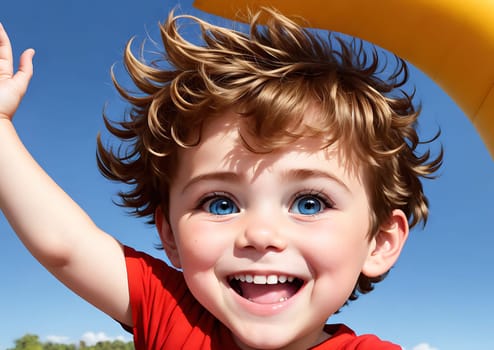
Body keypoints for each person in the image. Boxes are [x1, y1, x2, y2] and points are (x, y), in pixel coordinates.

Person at [0, 7, 442, 350]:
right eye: (220, 203)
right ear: (170, 235)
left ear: (380, 242)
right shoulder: (173, 316)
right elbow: (66, 246)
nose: (261, 234)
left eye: (309, 202)